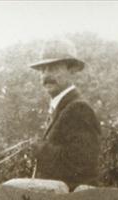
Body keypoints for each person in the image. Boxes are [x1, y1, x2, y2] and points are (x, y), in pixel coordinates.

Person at [29, 40, 100, 190]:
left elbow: (82, 165)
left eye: (54, 68)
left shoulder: (78, 109)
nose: (46, 75)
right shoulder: (61, 107)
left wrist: (39, 149)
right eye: (43, 70)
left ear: (72, 70)